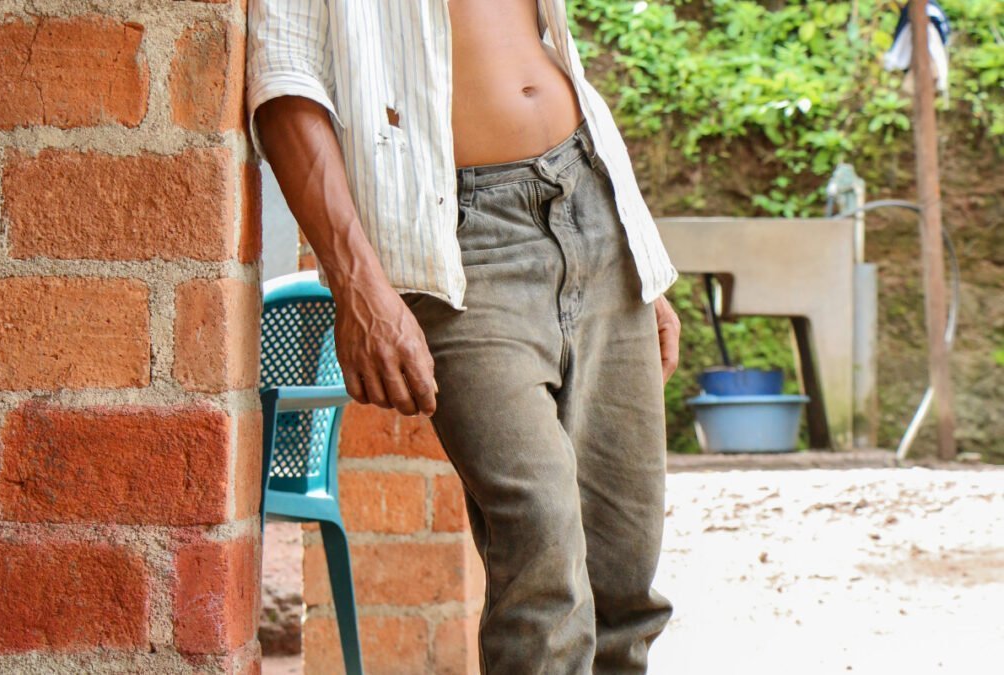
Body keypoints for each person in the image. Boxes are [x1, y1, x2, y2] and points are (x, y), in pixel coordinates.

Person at [247, 1, 682, 672]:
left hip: (593, 204)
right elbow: (284, 78)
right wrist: (358, 284)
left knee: (623, 571)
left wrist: (639, 252)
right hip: (459, 242)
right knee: (540, 538)